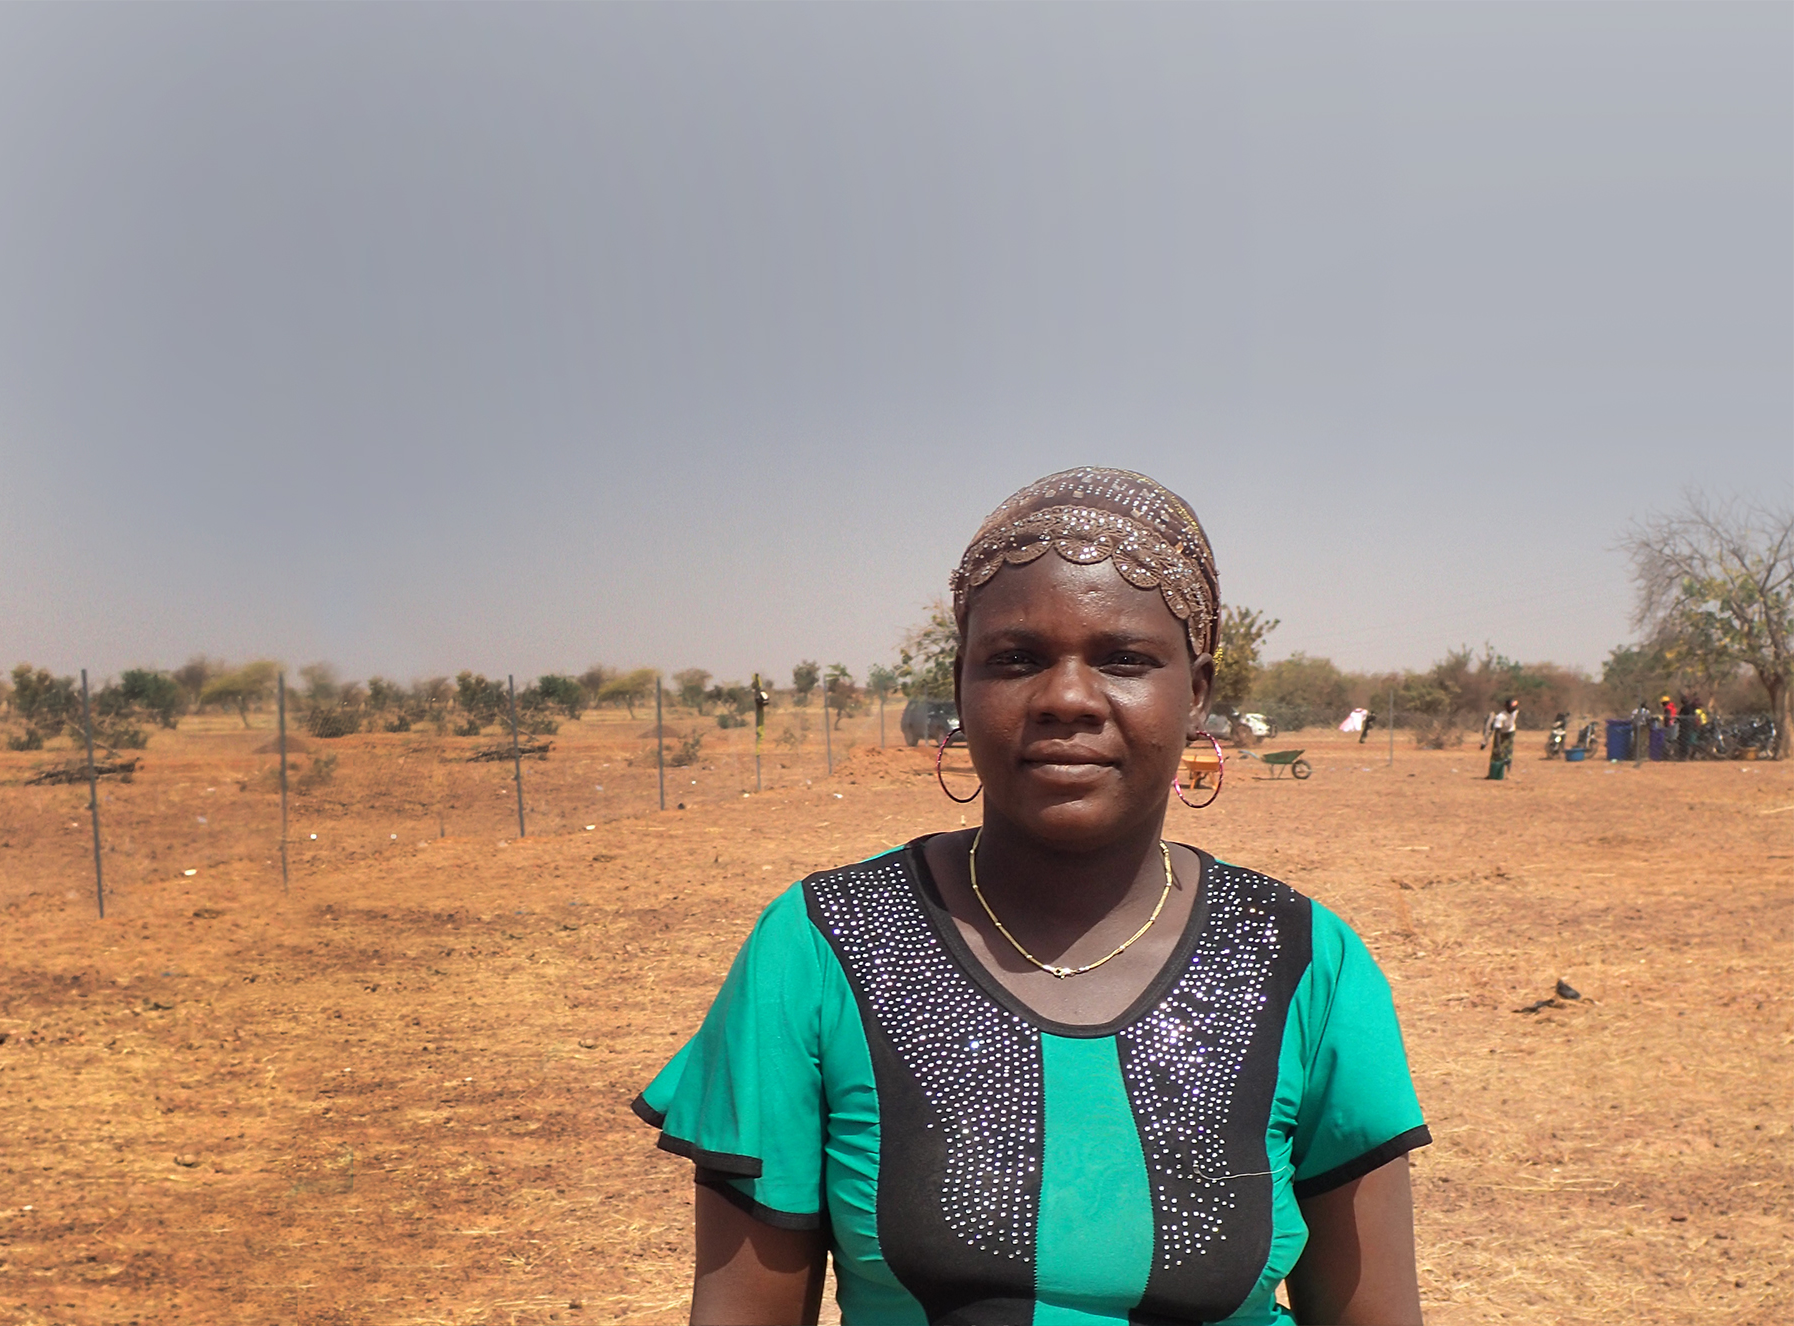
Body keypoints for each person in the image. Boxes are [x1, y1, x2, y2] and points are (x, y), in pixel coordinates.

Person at [635, 468, 1430, 1325]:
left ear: (1195, 692)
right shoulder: (825, 946)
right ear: (963, 682)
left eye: (1125, 659)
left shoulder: (1302, 959)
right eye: (1015, 660)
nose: (1066, 699)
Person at [1481, 698, 1520, 780]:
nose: (1513, 708)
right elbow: (1497, 733)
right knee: (1496, 753)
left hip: (1510, 732)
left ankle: (1507, 773)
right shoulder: (1501, 717)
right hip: (1501, 733)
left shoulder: (1515, 712)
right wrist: (1498, 746)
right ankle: (1492, 774)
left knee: (1508, 752)